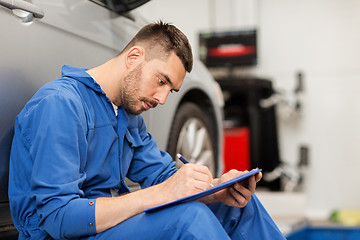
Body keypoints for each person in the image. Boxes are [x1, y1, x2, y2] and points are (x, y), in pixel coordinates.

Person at [9, 21, 286, 239]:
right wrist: (163, 194)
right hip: (63, 235)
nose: (162, 98)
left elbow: (163, 176)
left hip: (111, 227)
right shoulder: (61, 103)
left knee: (238, 207)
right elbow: (59, 217)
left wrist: (216, 189)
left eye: (170, 90)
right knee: (189, 219)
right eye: (161, 80)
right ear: (133, 57)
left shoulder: (127, 115)